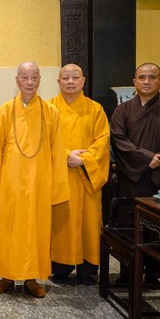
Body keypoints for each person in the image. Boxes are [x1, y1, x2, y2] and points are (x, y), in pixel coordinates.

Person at [0, 61, 69, 298]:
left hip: (40, 181)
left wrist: (57, 187)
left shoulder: (51, 112)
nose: (30, 82)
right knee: (10, 229)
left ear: (39, 80)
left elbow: (58, 151)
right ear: (17, 80)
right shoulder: (5, 111)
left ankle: (32, 277)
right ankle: (7, 276)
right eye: (25, 78)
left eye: (34, 78)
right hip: (11, 182)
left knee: (36, 230)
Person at [110, 62, 160, 283]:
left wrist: (158, 159)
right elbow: (118, 140)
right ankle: (127, 273)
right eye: (142, 77)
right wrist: (147, 158)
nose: (146, 81)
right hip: (130, 179)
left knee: (157, 229)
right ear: (134, 82)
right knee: (129, 224)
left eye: (152, 77)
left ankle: (154, 273)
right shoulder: (122, 110)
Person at [49, 64, 110, 286]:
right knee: (61, 224)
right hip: (60, 177)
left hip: (87, 177)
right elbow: (43, 140)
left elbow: (103, 141)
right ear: (58, 82)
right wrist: (67, 155)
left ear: (83, 80)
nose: (71, 81)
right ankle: (60, 269)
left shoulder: (95, 109)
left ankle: (88, 271)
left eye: (75, 77)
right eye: (66, 78)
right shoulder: (49, 108)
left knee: (89, 224)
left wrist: (84, 160)